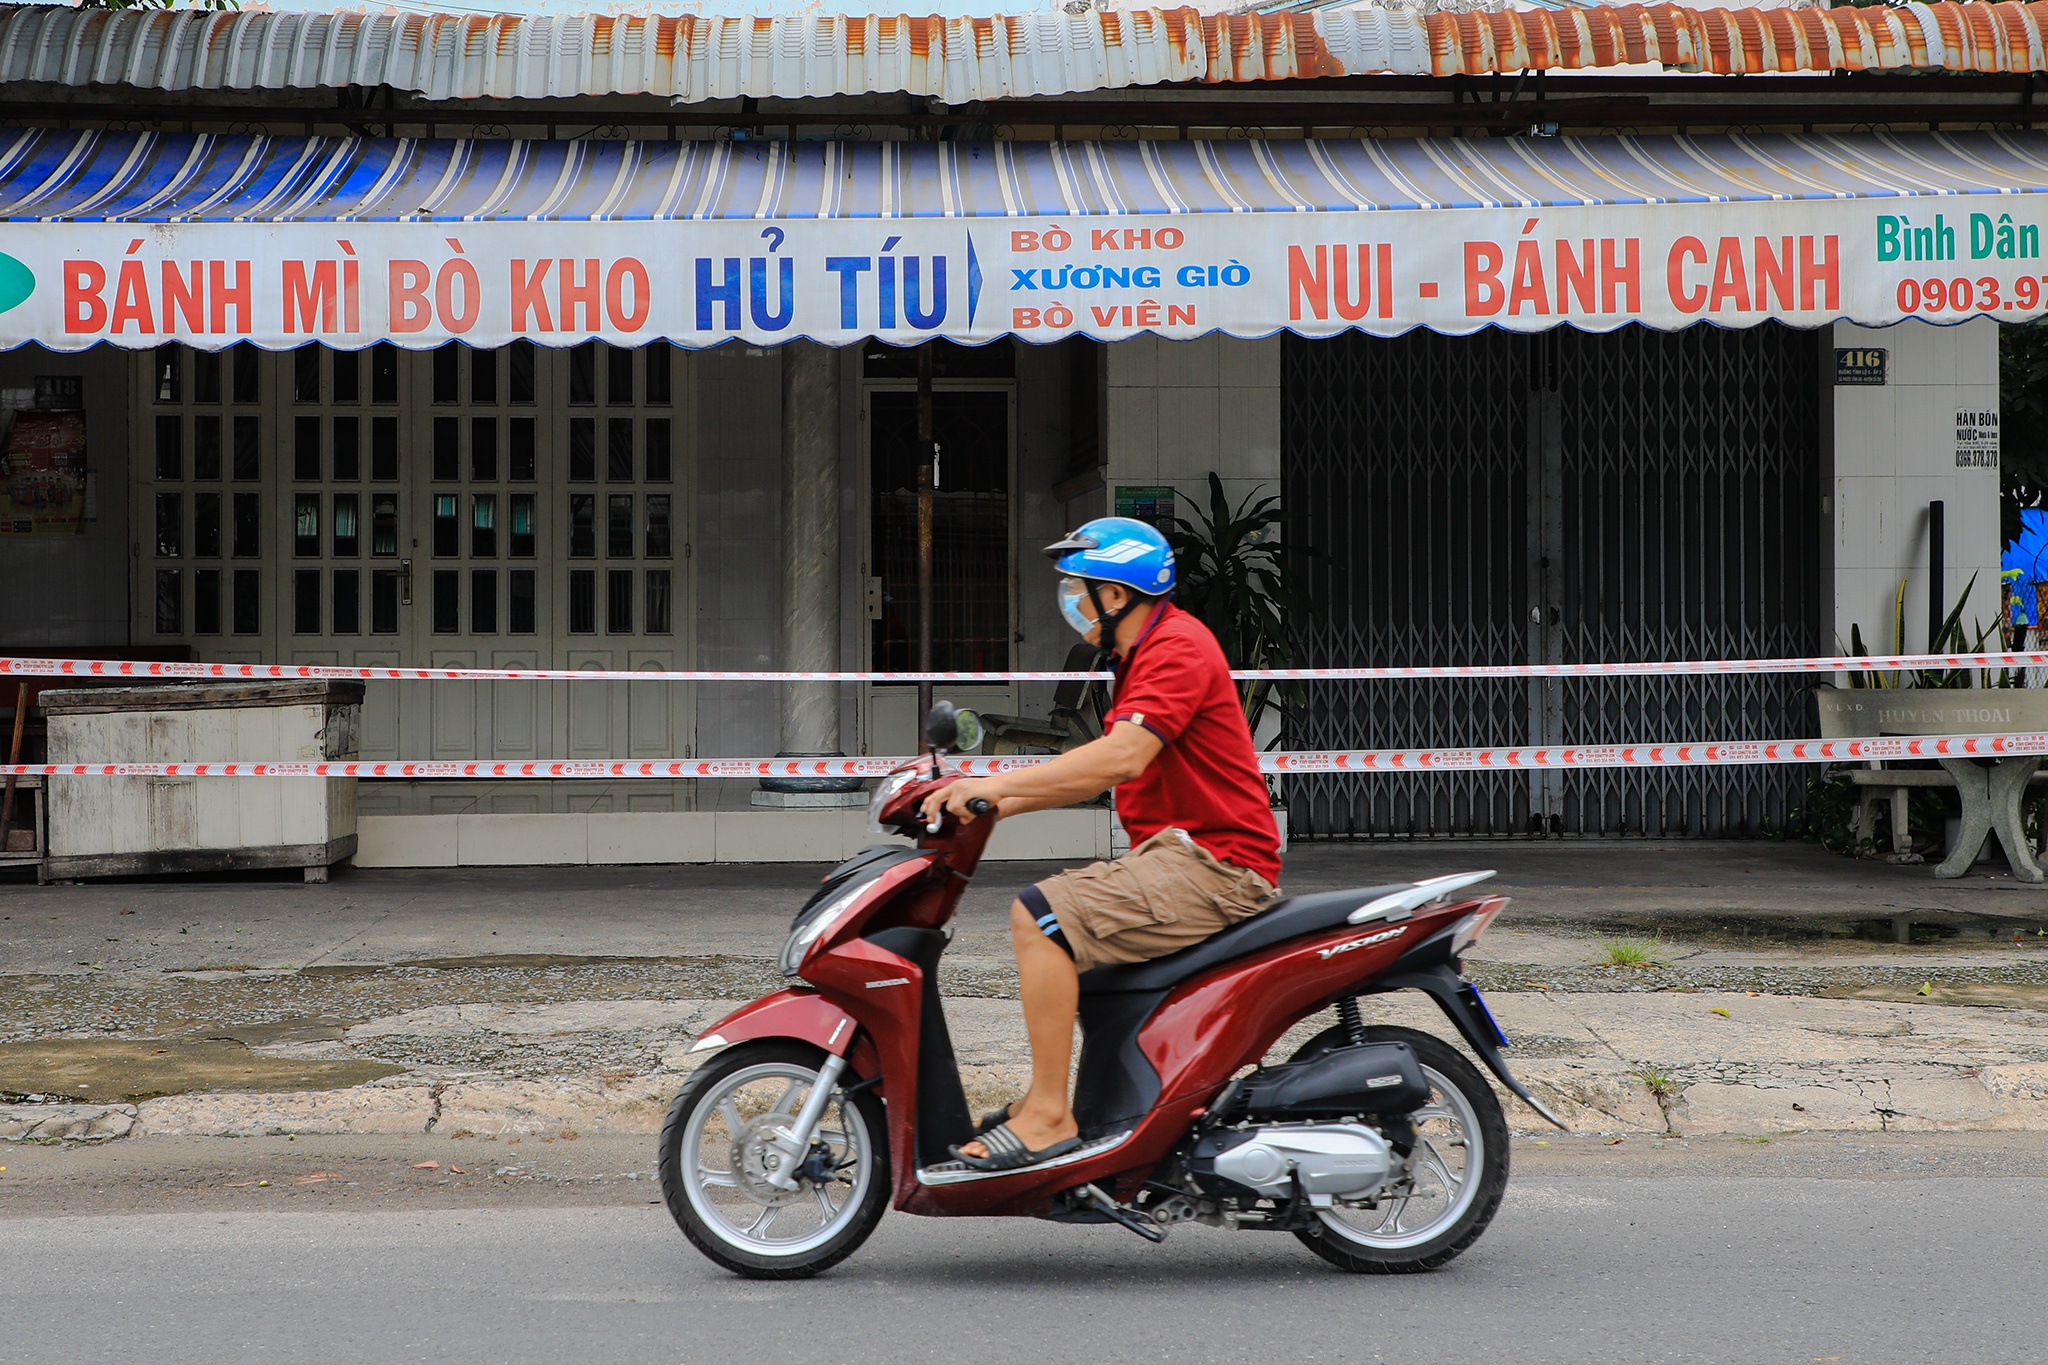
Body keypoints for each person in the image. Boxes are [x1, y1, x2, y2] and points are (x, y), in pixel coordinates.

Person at [920, 516, 1282, 1171]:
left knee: (1041, 915)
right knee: (1077, 943)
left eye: (1077, 588)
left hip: (1218, 866)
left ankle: (1049, 1118)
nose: (1071, 601)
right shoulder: (1140, 655)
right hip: (1179, 858)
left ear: (1115, 594)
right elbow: (1100, 763)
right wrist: (992, 800)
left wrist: (998, 789)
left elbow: (1119, 756)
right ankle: (1071, 1108)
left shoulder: (1175, 646)